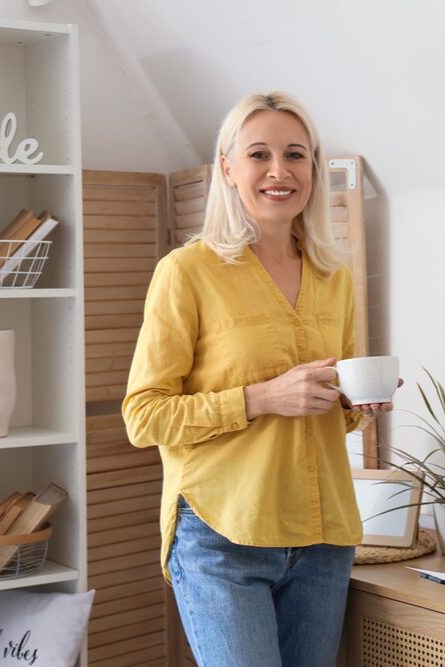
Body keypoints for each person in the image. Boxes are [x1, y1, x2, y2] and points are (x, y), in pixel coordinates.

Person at [122, 92, 398, 667]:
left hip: (323, 537)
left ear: (314, 170)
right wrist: (261, 398)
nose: (280, 171)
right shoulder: (187, 272)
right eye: (259, 155)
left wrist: (357, 404)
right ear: (227, 168)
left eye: (296, 155)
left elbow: (332, 404)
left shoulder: (334, 276)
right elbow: (144, 416)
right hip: (224, 535)